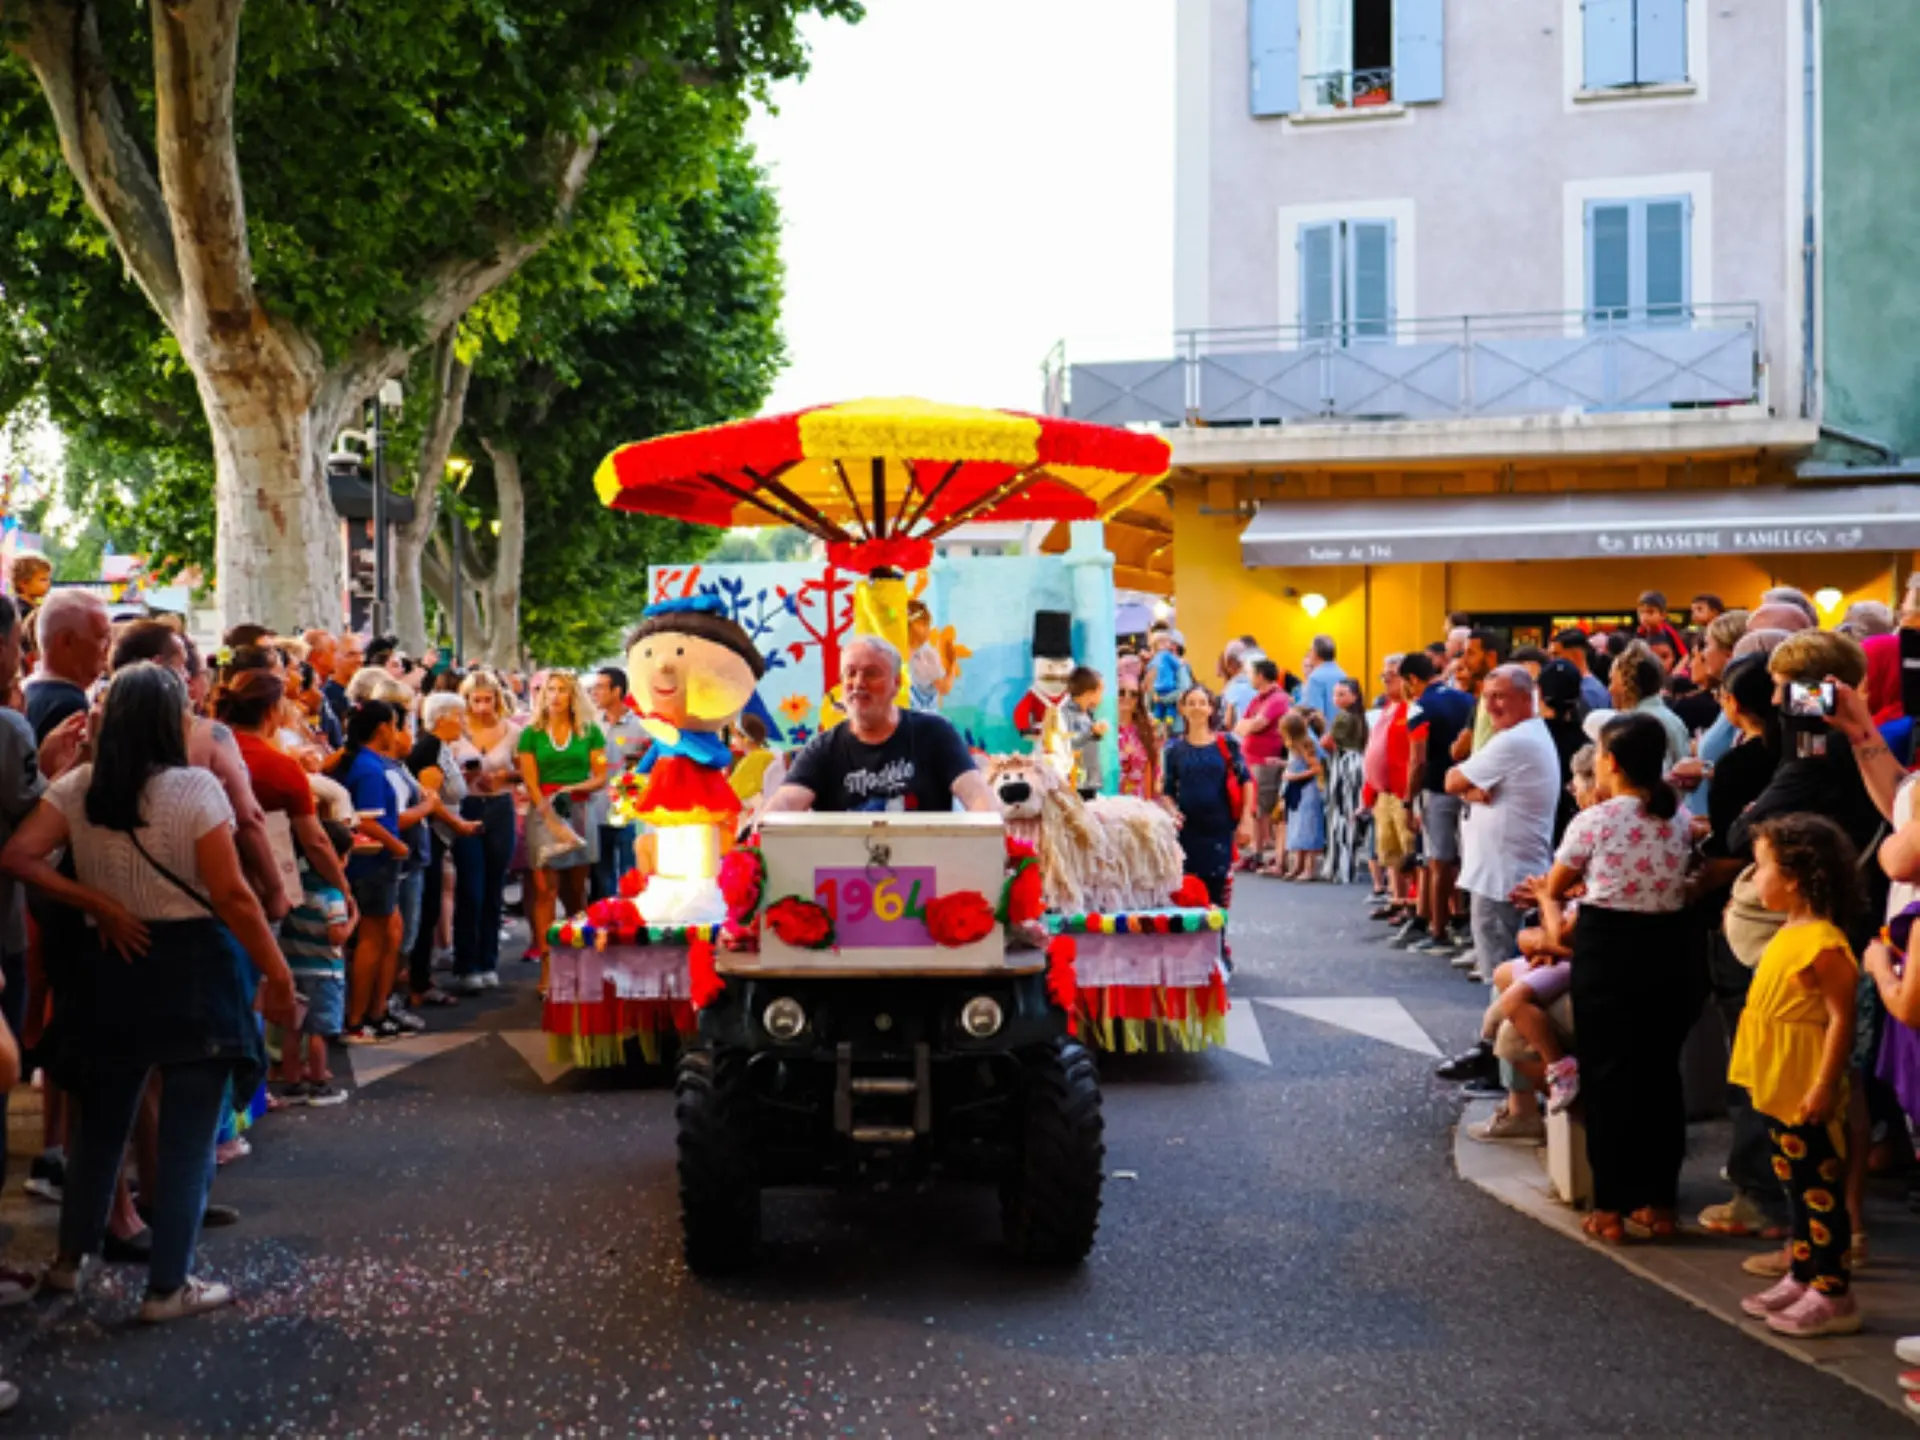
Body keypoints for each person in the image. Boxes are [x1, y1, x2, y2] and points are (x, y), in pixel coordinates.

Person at [0, 663, 298, 1321]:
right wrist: (278, 973)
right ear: (170, 723)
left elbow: (17, 857)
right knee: (187, 1135)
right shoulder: (194, 789)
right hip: (192, 966)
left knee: (101, 1127)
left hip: (112, 964)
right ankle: (168, 1286)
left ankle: (69, 1261)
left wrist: (97, 903)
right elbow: (232, 896)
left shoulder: (79, 787)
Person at [1538, 712, 1698, 1243]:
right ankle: (1660, 1203)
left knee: (1608, 1078)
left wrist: (1545, 900)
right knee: (1660, 1077)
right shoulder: (1678, 816)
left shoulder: (1596, 820)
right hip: (1670, 950)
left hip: (1609, 951)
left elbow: (1556, 887)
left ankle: (1610, 1207)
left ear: (1610, 761)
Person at [1730, 814, 1863, 1337]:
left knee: (1818, 1191)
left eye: (1761, 867)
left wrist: (1824, 1085)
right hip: (1778, 1081)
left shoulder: (1823, 944)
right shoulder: (1789, 930)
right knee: (1795, 1185)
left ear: (1795, 877)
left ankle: (1833, 1291)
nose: (1753, 878)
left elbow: (1841, 1020)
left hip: (1804, 1083)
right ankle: (1804, 1272)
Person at [770, 637, 996, 814]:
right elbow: (785, 802)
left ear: (896, 683)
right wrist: (760, 830)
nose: (858, 683)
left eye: (871, 673)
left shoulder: (935, 733)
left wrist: (992, 835)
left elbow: (976, 794)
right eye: (850, 673)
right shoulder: (822, 749)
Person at [1447, 665, 1561, 982]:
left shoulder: (1514, 740)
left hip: (1502, 875)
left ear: (1526, 698)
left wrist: (1468, 789)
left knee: (1499, 971)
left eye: (1499, 696)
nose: (1491, 706)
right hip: (1506, 869)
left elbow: (1452, 780)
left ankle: (1499, 1015)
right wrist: (1473, 791)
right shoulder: (1526, 734)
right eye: (1486, 698)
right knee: (1508, 969)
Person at [327, 702, 411, 1041]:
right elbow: (368, 820)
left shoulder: (363, 762)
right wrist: (397, 845)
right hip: (373, 864)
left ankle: (374, 1011)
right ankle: (357, 1018)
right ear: (382, 729)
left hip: (375, 864)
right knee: (371, 940)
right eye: (394, 725)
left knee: (387, 934)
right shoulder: (369, 768)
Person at [517, 671, 607, 976]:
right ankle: (547, 968)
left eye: (562, 690)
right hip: (543, 812)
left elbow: (600, 777)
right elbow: (530, 780)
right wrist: (547, 811)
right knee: (545, 891)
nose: (555, 696)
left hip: (579, 810)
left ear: (573, 696)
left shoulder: (590, 732)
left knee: (576, 891)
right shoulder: (531, 734)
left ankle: (578, 963)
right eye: (550, 690)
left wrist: (572, 789)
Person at [405, 692, 482, 1008]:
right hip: (432, 836)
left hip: (441, 836)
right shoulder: (431, 748)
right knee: (427, 908)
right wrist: (458, 823)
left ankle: (420, 976)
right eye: (459, 716)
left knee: (432, 905)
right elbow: (430, 799)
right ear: (442, 719)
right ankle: (418, 981)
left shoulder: (443, 748)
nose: (463, 722)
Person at [274, 820, 355, 1105]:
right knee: (320, 1032)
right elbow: (336, 936)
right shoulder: (333, 895)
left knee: (293, 1029)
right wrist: (353, 919)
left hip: (293, 967)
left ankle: (293, 1083)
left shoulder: (295, 889)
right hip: (325, 972)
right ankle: (319, 1085)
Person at [1398, 651, 1472, 956]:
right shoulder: (1466, 699)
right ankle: (1462, 919)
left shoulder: (1420, 707)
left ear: (1412, 679)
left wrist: (1408, 800)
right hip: (1469, 785)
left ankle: (1438, 929)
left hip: (1437, 789)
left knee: (1439, 861)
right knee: (1466, 858)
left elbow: (1417, 760)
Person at [450, 671, 519, 990]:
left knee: (494, 887)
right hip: (467, 807)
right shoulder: (457, 730)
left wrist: (503, 776)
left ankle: (488, 960)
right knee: (470, 888)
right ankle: (466, 964)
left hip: (500, 807)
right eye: (475, 700)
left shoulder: (512, 731)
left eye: (487, 699)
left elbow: (526, 771)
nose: (481, 706)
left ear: (497, 699)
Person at [1158, 684, 1256, 905]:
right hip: (1187, 831)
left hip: (1219, 830)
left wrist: (1246, 820)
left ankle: (1218, 929)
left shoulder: (1227, 743)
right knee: (1189, 893)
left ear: (1211, 709)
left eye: (1202, 703)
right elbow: (1167, 791)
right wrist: (1172, 811)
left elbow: (1246, 780)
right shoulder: (1173, 750)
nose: (1197, 708)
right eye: (1191, 703)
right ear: (1183, 709)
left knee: (1217, 893)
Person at [588, 666, 648, 901]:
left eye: (600, 687)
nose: (595, 692)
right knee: (601, 878)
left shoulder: (642, 727)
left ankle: (628, 917)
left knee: (629, 875)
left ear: (617, 690)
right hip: (596, 808)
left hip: (629, 812)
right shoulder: (591, 726)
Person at [1234, 658, 1290, 870]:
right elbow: (1240, 725)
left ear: (1260, 676)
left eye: (1251, 674)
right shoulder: (1258, 698)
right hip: (1250, 759)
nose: (1249, 678)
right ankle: (1255, 852)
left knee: (1262, 809)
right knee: (1254, 808)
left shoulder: (1278, 698)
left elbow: (1258, 724)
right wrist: (1249, 724)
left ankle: (1263, 852)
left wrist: (1249, 724)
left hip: (1265, 760)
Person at [1319, 678, 1367, 883]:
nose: (1336, 698)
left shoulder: (1343, 718)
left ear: (1354, 696)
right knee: (1350, 815)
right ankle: (1347, 865)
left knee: (1339, 815)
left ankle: (1339, 866)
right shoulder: (1360, 717)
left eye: (1341, 694)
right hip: (1358, 764)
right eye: (1335, 694)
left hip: (1344, 765)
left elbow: (1327, 742)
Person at [1275, 711, 1326, 881]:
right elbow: (1297, 763)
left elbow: (1316, 768)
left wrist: (1293, 776)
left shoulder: (1306, 744)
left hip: (1308, 789)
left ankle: (1309, 868)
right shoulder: (1294, 744)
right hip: (1297, 789)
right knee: (1297, 826)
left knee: (1308, 827)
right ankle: (1298, 865)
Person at [1060, 666, 1107, 797]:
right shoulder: (1066, 714)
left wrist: (1097, 733)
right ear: (1089, 693)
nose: (1102, 697)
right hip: (1076, 781)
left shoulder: (1087, 714)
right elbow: (1068, 743)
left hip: (1089, 780)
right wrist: (1091, 733)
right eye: (1100, 691)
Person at [1116, 674, 1159, 804]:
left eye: (1133, 694)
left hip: (1139, 804)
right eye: (1121, 692)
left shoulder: (1145, 730)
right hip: (1110, 803)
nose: (1127, 697)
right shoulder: (1103, 729)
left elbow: (1152, 770)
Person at [1548, 629, 1612, 713]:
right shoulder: (1586, 687)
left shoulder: (1587, 692)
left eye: (1556, 654)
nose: (1551, 661)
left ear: (1576, 655)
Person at [1298, 635, 1348, 723]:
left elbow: (1315, 716)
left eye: (1310, 650)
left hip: (1325, 730)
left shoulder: (1315, 678)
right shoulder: (1343, 674)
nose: (1309, 654)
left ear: (1316, 653)